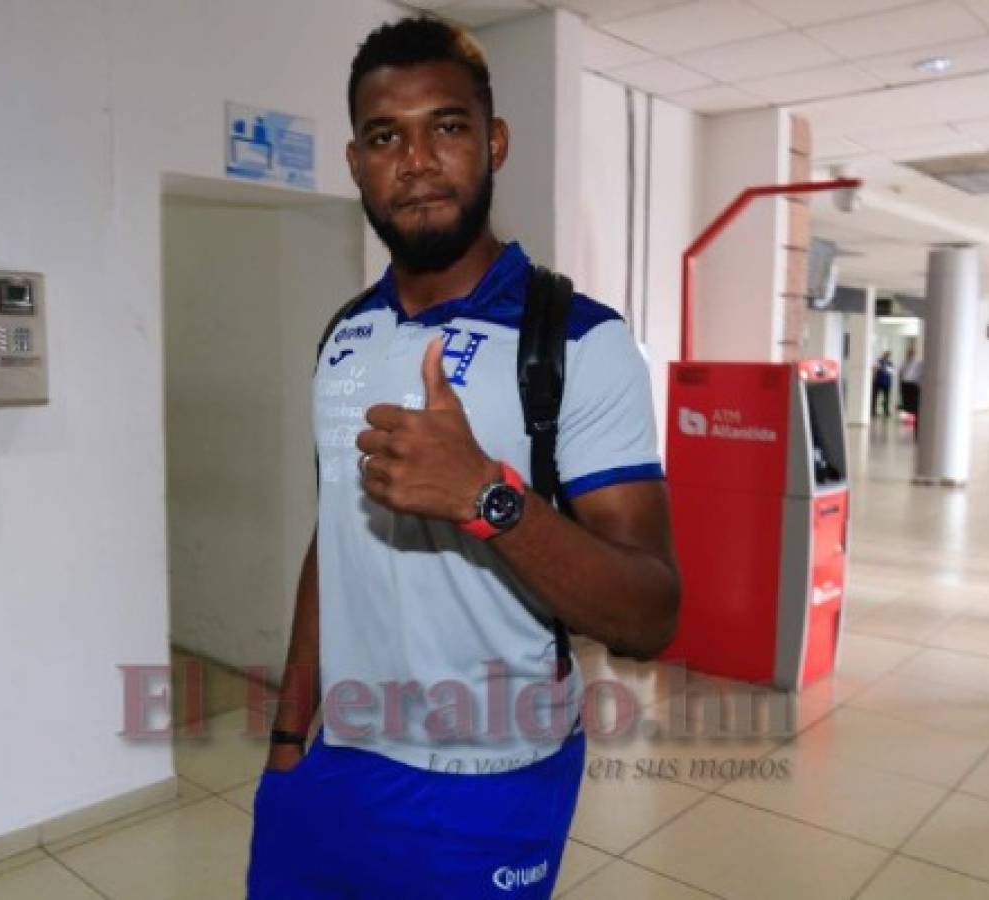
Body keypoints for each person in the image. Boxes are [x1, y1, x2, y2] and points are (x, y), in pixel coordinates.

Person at [246, 16, 680, 899]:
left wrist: (490, 495)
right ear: (355, 161)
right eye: (384, 136)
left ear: (494, 142)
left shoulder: (579, 341)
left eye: (445, 126)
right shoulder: (344, 335)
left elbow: (649, 615)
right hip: (333, 761)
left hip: (491, 778)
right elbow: (329, 539)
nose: (415, 159)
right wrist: (288, 737)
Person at [872, 350, 894, 418]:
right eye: (886, 355)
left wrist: (886, 369)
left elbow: (892, 372)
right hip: (878, 382)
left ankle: (886, 411)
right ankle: (873, 410)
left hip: (887, 383)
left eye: (888, 355)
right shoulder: (878, 361)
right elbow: (875, 369)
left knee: (886, 398)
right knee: (875, 397)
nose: (887, 356)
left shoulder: (890, 363)